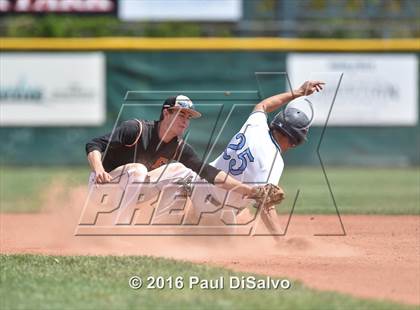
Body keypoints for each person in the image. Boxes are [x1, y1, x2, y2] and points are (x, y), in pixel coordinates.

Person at [85, 95, 273, 223]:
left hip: (132, 190)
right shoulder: (136, 129)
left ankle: (162, 229)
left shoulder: (178, 146)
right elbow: (94, 144)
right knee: (139, 170)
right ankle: (119, 229)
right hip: (103, 187)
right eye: (181, 114)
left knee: (184, 173)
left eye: (188, 116)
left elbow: (209, 172)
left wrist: (250, 191)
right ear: (166, 113)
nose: (185, 120)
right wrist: (99, 169)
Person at [185, 80, 325, 224]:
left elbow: (263, 105)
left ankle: (188, 218)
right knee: (220, 243)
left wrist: (298, 92)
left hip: (197, 185)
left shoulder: (256, 125)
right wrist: (280, 241)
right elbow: (265, 206)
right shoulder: (274, 162)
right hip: (215, 213)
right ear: (295, 142)